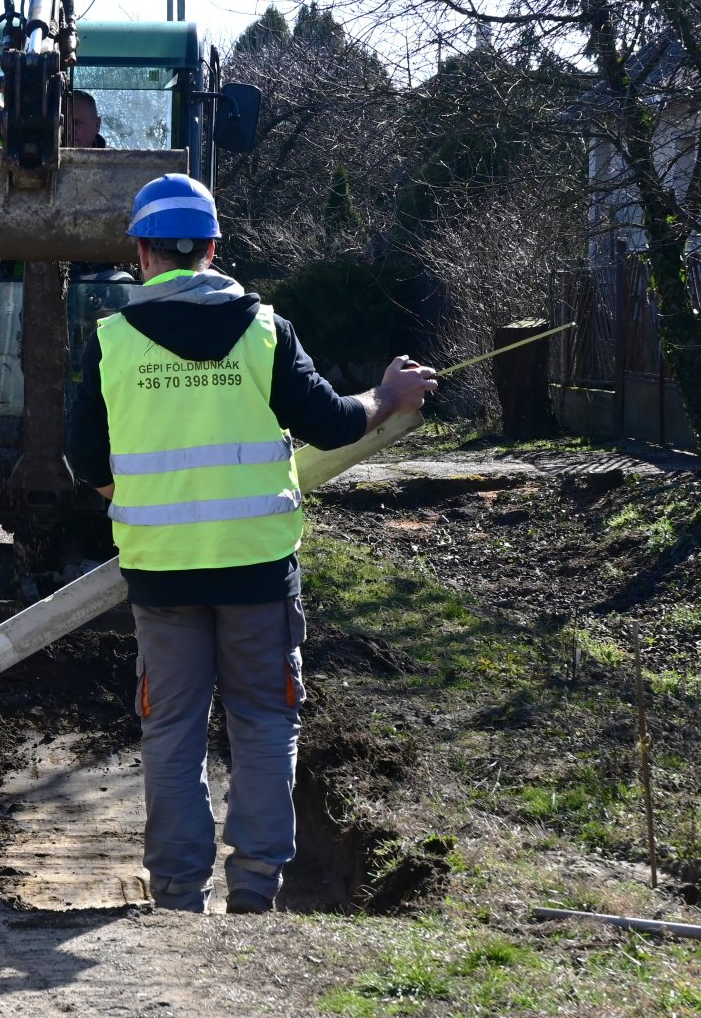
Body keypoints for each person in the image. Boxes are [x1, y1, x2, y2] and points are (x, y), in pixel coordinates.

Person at [65, 174, 437, 916]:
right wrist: (387, 397)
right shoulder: (265, 330)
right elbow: (332, 424)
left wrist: (151, 505)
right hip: (259, 575)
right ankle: (256, 890)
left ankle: (176, 893)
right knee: (264, 724)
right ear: (210, 248)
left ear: (141, 253)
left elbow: (88, 466)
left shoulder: (109, 341)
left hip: (163, 578)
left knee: (171, 729)